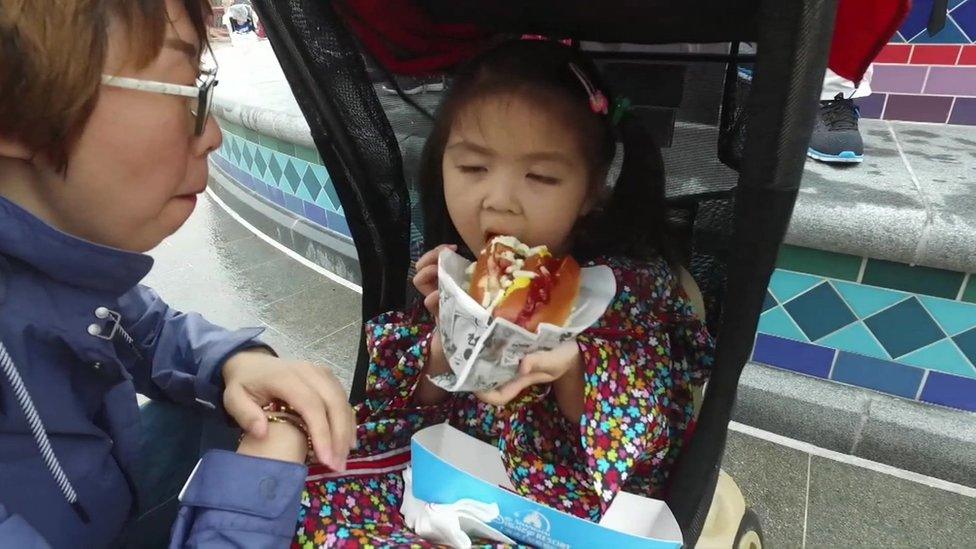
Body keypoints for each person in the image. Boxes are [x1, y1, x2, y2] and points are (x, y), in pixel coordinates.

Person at [291, 39, 715, 547]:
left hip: (555, 502)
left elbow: (651, 434)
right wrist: (444, 346)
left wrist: (572, 370)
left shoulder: (628, 291)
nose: (498, 200)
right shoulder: (456, 273)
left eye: (540, 176)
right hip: (441, 474)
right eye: (472, 169)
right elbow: (392, 405)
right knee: (298, 504)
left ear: (590, 191)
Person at [0, 1, 355, 547]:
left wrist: (239, 362)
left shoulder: (70, 263)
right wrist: (259, 480)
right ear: (14, 111)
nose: (212, 134)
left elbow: (148, 328)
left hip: (104, 507)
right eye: (186, 93)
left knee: (230, 411)